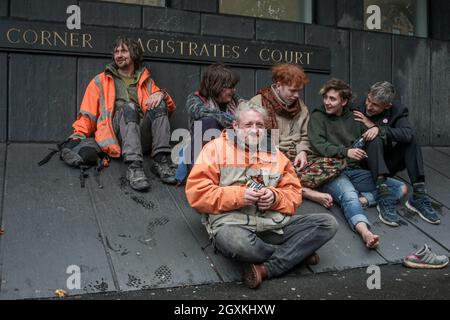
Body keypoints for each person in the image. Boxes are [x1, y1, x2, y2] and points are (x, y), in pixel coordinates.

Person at [185, 100, 338, 289]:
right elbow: (197, 194)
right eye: (248, 124)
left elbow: (294, 193)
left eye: (259, 125)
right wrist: (239, 196)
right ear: (235, 126)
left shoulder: (276, 155)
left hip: (271, 225)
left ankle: (269, 267)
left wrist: (274, 197)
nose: (255, 130)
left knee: (327, 223)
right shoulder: (214, 149)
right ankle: (296, 256)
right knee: (238, 243)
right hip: (232, 224)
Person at [308, 79, 407, 249]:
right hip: (331, 171)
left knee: (400, 188)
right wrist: (345, 151)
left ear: (344, 101)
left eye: (332, 99)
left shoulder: (355, 116)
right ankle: (365, 232)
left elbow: (376, 139)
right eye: (326, 98)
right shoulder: (317, 116)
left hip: (354, 170)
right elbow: (318, 145)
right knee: (349, 195)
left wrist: (375, 128)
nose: (327, 102)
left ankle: (364, 200)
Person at [69, 36, 177, 191]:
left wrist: (162, 95)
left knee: (160, 102)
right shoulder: (100, 81)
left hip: (141, 137)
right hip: (116, 137)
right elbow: (88, 114)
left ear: (133, 54)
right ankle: (134, 167)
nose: (119, 55)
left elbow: (169, 108)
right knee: (129, 107)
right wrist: (77, 135)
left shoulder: (146, 81)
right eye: (116, 51)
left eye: (124, 51)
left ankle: (161, 162)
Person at [250, 63, 338, 209]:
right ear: (279, 85)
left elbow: (305, 135)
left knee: (335, 162)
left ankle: (292, 183)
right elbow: (252, 138)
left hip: (295, 157)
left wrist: (302, 152)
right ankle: (304, 191)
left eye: (298, 91)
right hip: (270, 156)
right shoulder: (257, 103)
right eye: (292, 91)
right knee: (264, 173)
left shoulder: (301, 107)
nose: (296, 95)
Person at [353, 81, 440, 225]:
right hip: (362, 164)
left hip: (385, 164)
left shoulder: (397, 110)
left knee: (411, 141)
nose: (369, 106)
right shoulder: (357, 106)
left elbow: (407, 134)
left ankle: (419, 195)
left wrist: (379, 128)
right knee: (374, 138)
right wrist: (374, 130)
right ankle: (383, 196)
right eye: (369, 100)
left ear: (387, 106)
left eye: (375, 105)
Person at [185, 63, 240, 166]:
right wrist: (235, 119)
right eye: (230, 87)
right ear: (217, 87)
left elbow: (251, 115)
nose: (234, 90)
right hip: (201, 152)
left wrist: (241, 117)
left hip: (230, 152)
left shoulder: (234, 100)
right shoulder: (196, 99)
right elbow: (202, 112)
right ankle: (199, 172)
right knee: (207, 122)